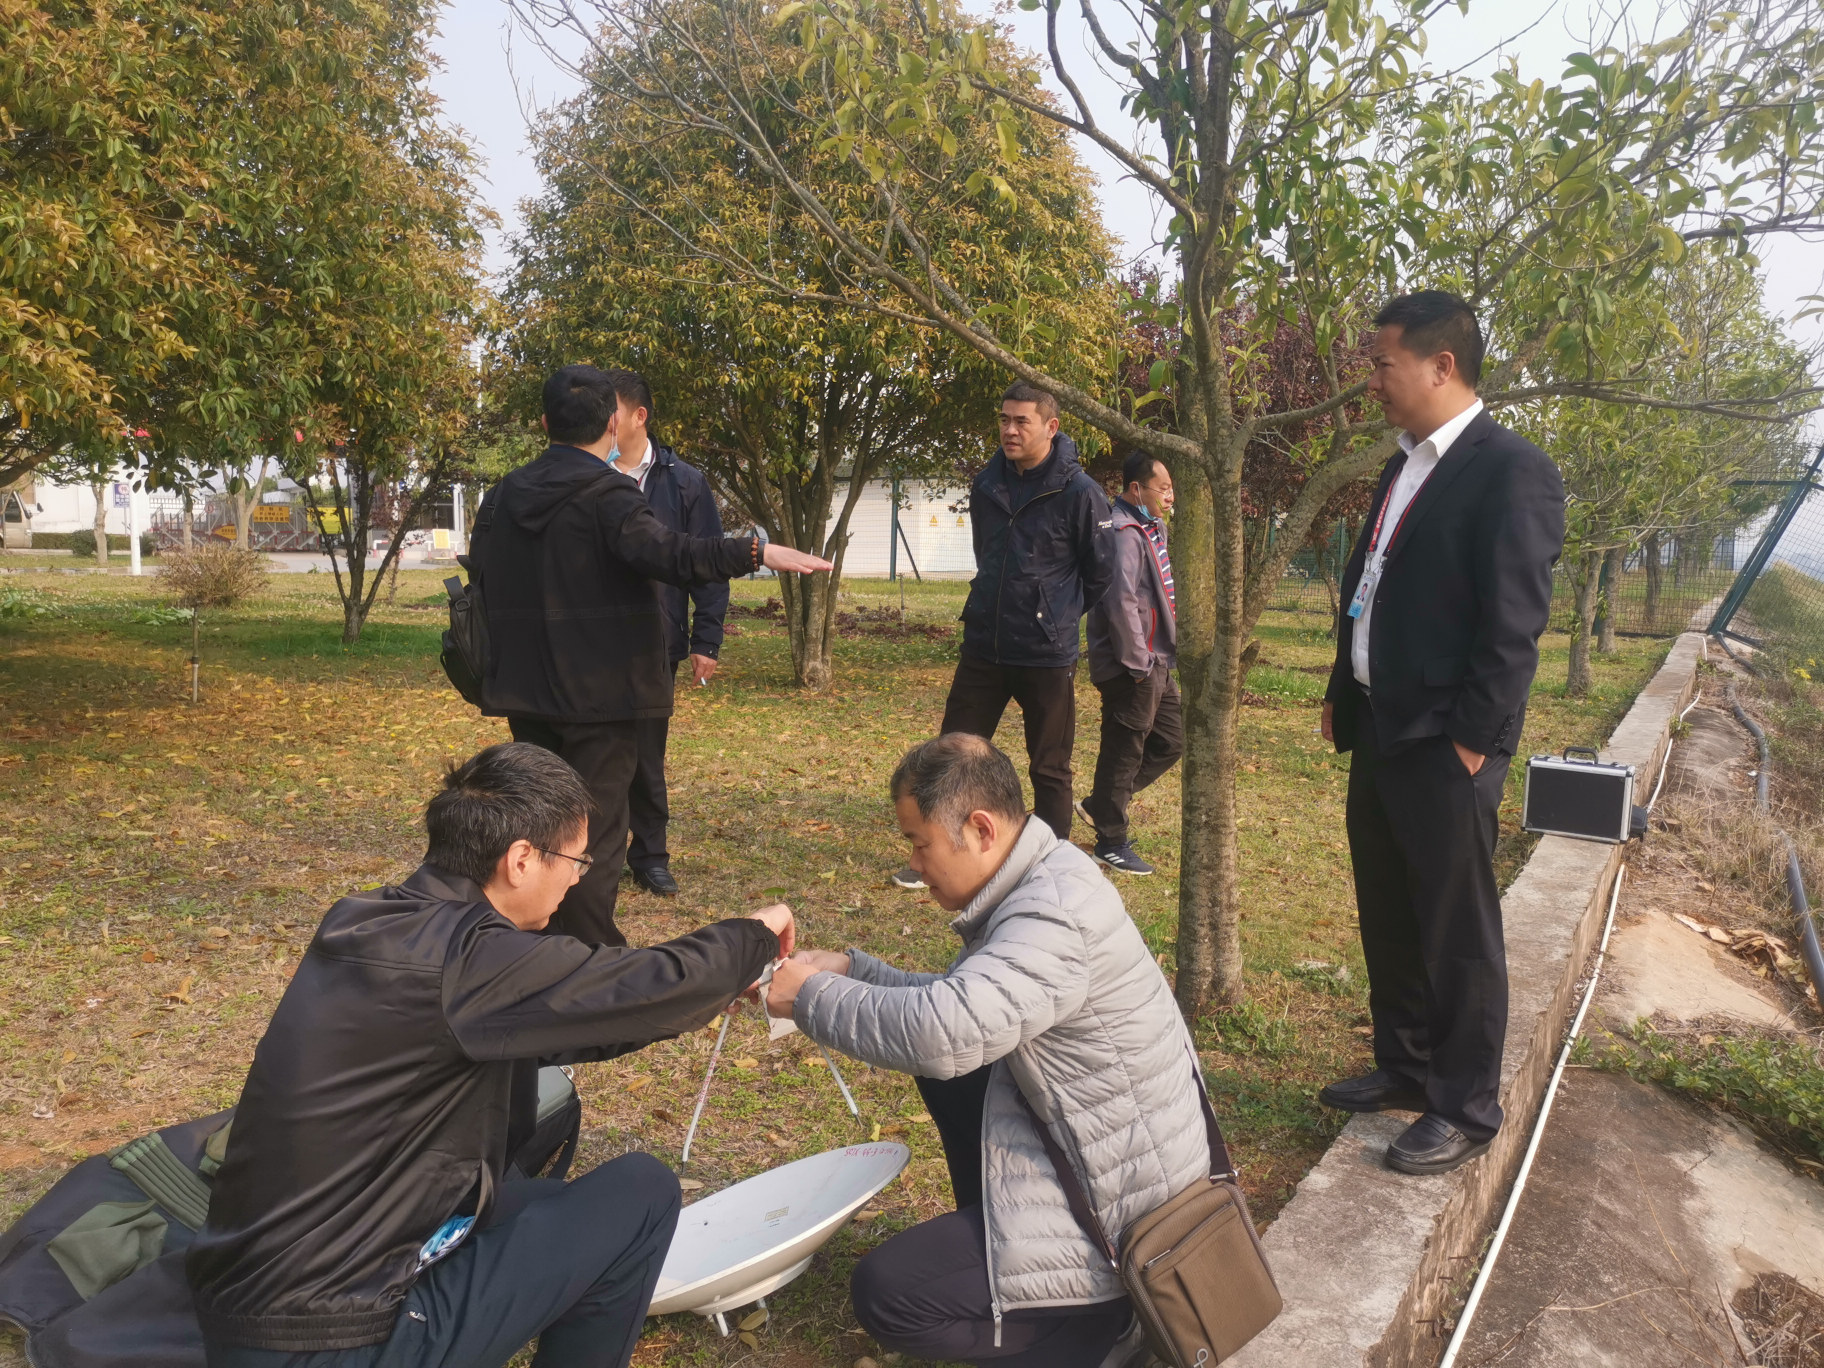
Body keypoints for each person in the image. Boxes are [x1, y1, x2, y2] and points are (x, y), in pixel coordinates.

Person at [186, 741, 795, 1368]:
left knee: (540, 1205)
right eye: (575, 863)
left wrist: (708, 992)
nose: (577, 879)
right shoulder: (472, 963)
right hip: (335, 1339)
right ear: (522, 859)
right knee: (641, 1190)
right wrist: (754, 935)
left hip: (251, 1296)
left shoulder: (368, 920)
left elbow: (590, 1015)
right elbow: (645, 985)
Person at [767, 734, 1208, 1368]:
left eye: (920, 844)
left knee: (889, 1294)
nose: (914, 863)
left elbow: (944, 1030)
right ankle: (1024, 1276)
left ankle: (1095, 1334)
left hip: (1125, 1217)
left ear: (980, 829)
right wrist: (847, 970)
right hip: (1102, 1161)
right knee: (954, 1074)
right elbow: (963, 1008)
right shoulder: (1043, 875)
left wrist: (810, 996)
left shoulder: (1051, 916)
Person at [1317, 291, 1565, 1176]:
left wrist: (1475, 743)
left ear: (1440, 365)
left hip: (1444, 740)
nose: (1372, 381)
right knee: (1388, 905)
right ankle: (1407, 1064)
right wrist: (1345, 685)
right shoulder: (1404, 465)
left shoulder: (1511, 470)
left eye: (1382, 364)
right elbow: (1372, 581)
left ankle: (1463, 1103)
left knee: (1456, 927)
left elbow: (1512, 626)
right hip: (1383, 727)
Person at [472, 364, 830, 945]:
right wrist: (757, 551)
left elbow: (484, 576)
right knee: (596, 833)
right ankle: (588, 955)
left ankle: (530, 940)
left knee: (541, 825)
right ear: (612, 423)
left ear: (544, 423)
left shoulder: (506, 494)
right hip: (603, 698)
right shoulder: (608, 491)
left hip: (525, 689)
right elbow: (672, 553)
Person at [893, 381, 1116, 890]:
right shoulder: (986, 484)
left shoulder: (1081, 494)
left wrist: (1055, 616)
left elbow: (1100, 574)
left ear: (1051, 427)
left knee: (1050, 768)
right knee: (951, 755)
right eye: (1004, 419)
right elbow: (987, 554)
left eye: (1022, 421)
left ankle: (1054, 870)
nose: (1010, 430)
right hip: (985, 647)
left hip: (1046, 654)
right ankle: (933, 854)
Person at [595, 369, 728, 899]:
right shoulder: (587, 475)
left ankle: (649, 855)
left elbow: (707, 563)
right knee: (592, 751)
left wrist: (705, 640)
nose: (603, 420)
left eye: (612, 410)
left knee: (647, 755)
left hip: (655, 642)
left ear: (638, 416)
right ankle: (584, 852)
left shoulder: (685, 482)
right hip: (590, 642)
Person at [1078, 451, 1182, 875]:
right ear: (1136, 489)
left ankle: (1103, 803)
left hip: (1156, 657)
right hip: (1134, 662)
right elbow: (1120, 602)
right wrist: (1137, 663)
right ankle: (1111, 840)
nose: (1170, 497)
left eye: (1172, 489)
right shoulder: (1123, 532)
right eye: (1163, 489)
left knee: (1173, 739)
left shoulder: (1150, 527)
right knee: (1124, 749)